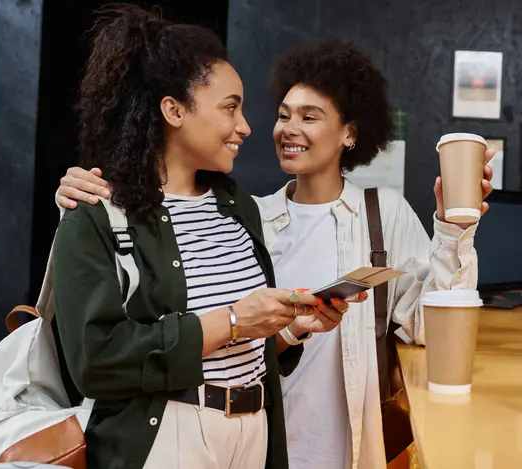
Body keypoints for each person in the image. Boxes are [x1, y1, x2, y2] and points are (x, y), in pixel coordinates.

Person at [57, 39, 494, 469]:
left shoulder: (378, 215)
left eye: (309, 116)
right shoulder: (252, 217)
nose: (286, 128)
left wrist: (455, 228)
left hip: (324, 442)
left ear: (349, 133)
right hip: (262, 435)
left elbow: (428, 324)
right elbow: (113, 350)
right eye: (284, 115)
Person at [51, 5, 361, 469]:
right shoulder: (95, 214)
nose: (246, 127)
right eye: (230, 108)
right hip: (171, 439)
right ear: (174, 110)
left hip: (253, 432)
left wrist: (292, 330)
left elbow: (240, 349)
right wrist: (234, 320)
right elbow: (96, 361)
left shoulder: (238, 209)